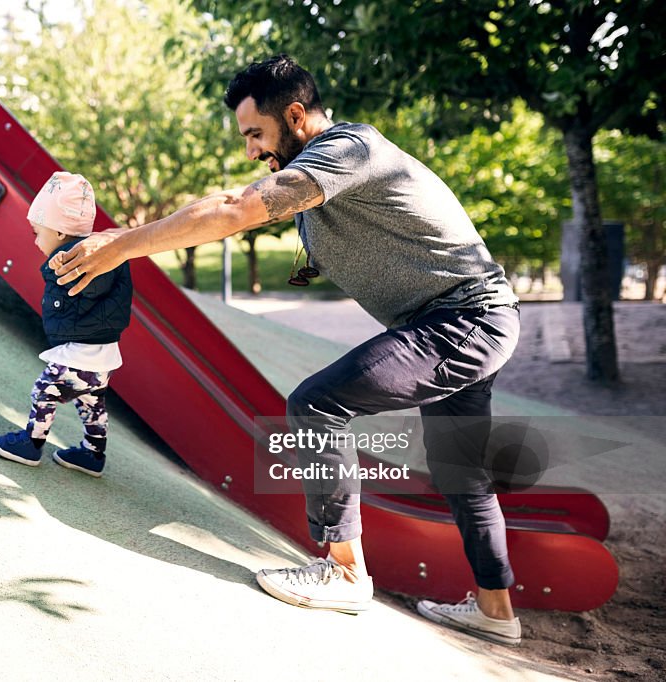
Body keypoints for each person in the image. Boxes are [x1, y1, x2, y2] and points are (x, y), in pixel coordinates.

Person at [49, 55, 523, 645]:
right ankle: (496, 612)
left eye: (256, 134)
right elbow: (232, 199)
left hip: (463, 318)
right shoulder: (317, 176)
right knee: (462, 473)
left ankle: (345, 573)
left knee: (317, 405)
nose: (251, 150)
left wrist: (122, 245)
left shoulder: (351, 151)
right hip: (469, 319)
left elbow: (233, 210)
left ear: (296, 116)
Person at [0, 171, 132, 478]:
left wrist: (66, 264)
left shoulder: (87, 260)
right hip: (103, 358)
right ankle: (93, 454)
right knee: (92, 404)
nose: (35, 240)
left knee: (45, 391)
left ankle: (31, 443)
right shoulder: (102, 252)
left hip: (79, 356)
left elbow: (93, 284)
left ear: (57, 232)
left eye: (37, 232)